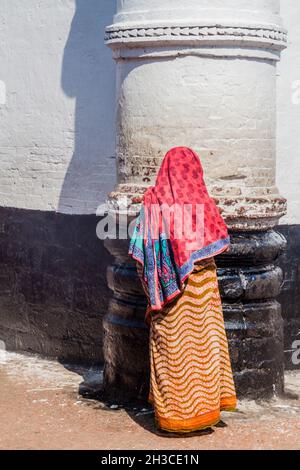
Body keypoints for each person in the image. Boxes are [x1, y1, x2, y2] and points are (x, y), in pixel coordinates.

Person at [129, 147, 237, 434]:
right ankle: (205, 412)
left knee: (173, 351)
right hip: (203, 294)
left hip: (169, 299)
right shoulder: (202, 203)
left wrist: (156, 285)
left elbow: (139, 252)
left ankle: (174, 417)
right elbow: (218, 239)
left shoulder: (152, 204)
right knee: (204, 350)